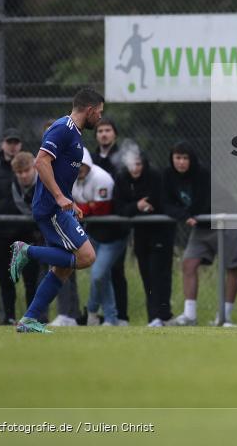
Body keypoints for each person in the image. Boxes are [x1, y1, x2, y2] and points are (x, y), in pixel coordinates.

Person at [7, 88, 104, 333]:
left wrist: (70, 201)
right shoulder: (63, 128)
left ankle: (28, 320)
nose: (100, 118)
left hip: (59, 207)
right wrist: (60, 197)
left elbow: (59, 172)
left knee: (61, 269)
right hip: (51, 208)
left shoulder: (75, 133)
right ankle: (27, 250)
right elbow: (40, 161)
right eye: (100, 113)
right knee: (87, 257)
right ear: (90, 110)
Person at [164, 141, 237, 327]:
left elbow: (201, 202)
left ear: (191, 159)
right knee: (189, 263)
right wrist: (185, 215)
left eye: (185, 158)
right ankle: (190, 316)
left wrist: (190, 213)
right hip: (202, 225)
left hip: (226, 219)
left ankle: (224, 317)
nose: (181, 162)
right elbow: (166, 202)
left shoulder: (202, 173)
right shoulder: (168, 175)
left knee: (232, 267)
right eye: (178, 158)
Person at [113, 146, 175, 326]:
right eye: (132, 164)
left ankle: (160, 316)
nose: (135, 168)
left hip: (161, 232)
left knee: (159, 275)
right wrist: (137, 206)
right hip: (140, 233)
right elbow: (120, 208)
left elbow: (159, 202)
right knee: (146, 276)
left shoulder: (155, 176)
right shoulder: (122, 179)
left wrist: (135, 207)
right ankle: (155, 317)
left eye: (139, 163)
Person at [0, 133, 42, 324]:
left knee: (31, 279)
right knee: (5, 279)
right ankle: (8, 317)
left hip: (29, 236)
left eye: (27, 171)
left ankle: (32, 317)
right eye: (20, 172)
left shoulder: (43, 180)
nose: (24, 175)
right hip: (1, 237)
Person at [72, 149, 128, 327]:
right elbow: (69, 206)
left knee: (97, 275)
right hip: (94, 234)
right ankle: (106, 318)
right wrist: (87, 206)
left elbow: (102, 209)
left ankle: (94, 311)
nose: (79, 168)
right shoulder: (71, 178)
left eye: (82, 164)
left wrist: (82, 208)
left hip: (113, 236)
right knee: (102, 276)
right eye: (76, 164)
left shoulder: (101, 178)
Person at [90, 118, 129, 325]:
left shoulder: (122, 159)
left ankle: (120, 315)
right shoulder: (91, 160)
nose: (104, 134)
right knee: (99, 273)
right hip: (96, 226)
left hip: (117, 226)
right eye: (100, 131)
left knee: (116, 271)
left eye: (108, 130)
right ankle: (99, 314)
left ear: (115, 134)